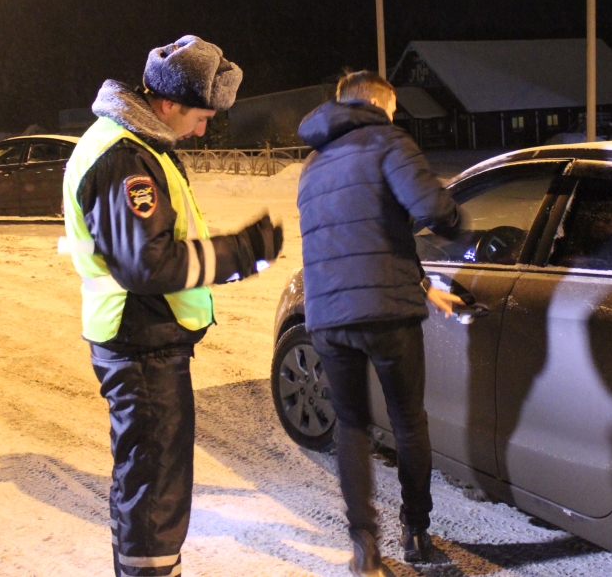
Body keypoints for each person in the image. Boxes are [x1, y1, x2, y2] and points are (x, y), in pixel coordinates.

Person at [61, 35, 283, 577]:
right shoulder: (125, 158)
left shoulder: (139, 144)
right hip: (140, 343)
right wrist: (243, 252)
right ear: (168, 103)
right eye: (202, 116)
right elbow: (148, 266)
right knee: (154, 485)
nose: (203, 128)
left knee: (149, 478)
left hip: (146, 340)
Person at [296, 70, 464, 576]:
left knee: (351, 425)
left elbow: (361, 234)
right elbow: (431, 207)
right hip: (386, 314)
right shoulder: (388, 139)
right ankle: (416, 535)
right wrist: (457, 225)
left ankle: (364, 549)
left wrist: (422, 283)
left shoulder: (312, 162)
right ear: (379, 105)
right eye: (393, 110)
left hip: (327, 316)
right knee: (409, 421)